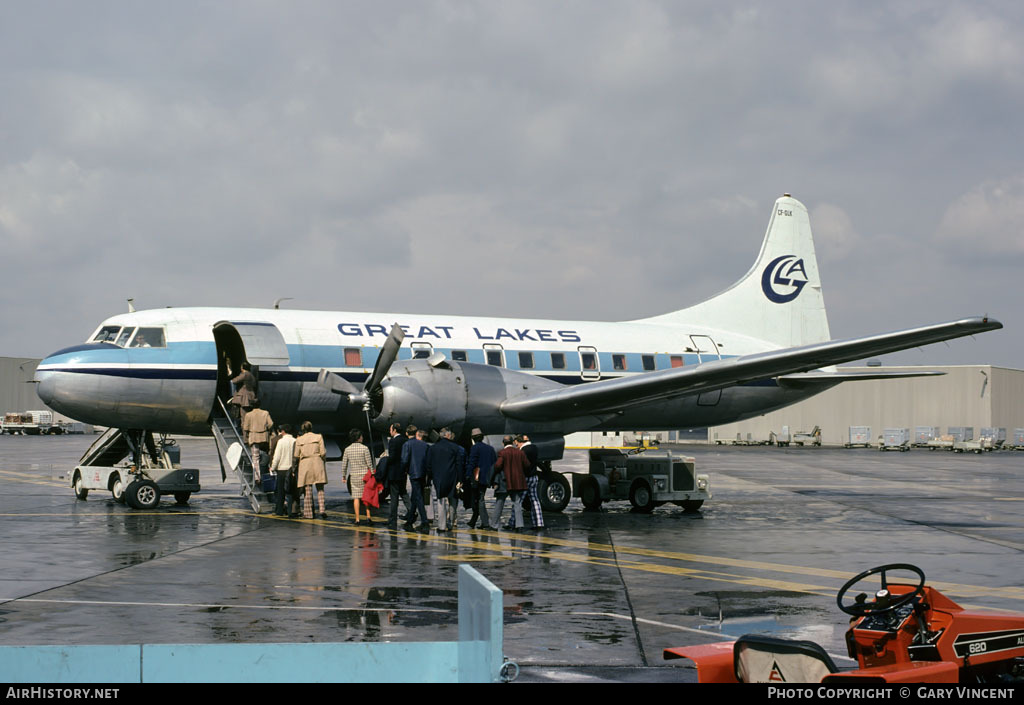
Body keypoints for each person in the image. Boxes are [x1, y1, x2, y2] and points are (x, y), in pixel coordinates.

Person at [425, 427, 466, 532]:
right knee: (452, 500)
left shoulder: (433, 448)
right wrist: (461, 479)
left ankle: (441, 526)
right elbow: (459, 465)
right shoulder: (455, 447)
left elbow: (428, 465)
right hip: (452, 477)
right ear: (448, 435)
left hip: (438, 478)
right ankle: (451, 522)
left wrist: (429, 478)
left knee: (440, 500)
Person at [492, 435, 528, 530]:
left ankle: (494, 525)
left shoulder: (502, 453)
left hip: (505, 482)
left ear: (503, 443)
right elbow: (527, 464)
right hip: (517, 482)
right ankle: (519, 525)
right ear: (513, 442)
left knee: (499, 503)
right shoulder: (520, 452)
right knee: (517, 503)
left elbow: (498, 466)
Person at [294, 421, 327, 519]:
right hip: (317, 462)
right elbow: (323, 452)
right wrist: (323, 460)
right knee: (320, 488)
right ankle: (322, 509)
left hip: (305, 464)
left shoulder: (299, 439)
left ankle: (308, 513)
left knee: (307, 490)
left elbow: (296, 454)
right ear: (311, 428)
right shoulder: (319, 437)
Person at [341, 428, 374, 525]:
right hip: (365, 476)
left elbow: (344, 464)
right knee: (366, 497)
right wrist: (372, 473)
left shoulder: (347, 449)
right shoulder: (365, 448)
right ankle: (368, 516)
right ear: (359, 438)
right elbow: (369, 463)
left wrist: (343, 475)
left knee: (356, 497)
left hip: (354, 475)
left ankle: (357, 519)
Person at [466, 428, 496, 529]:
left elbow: (472, 463)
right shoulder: (490, 448)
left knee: (479, 500)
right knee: (480, 498)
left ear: (473, 438)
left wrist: (467, 475)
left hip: (477, 478)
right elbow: (493, 464)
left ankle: (485, 522)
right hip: (486, 478)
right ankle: (474, 521)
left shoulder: (475, 448)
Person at [401, 427, 430, 530]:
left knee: (418, 497)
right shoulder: (425, 445)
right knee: (415, 496)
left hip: (413, 473)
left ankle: (425, 522)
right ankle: (410, 520)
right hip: (423, 473)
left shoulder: (407, 444)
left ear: (406, 433)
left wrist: (404, 471)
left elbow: (404, 460)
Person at [517, 433, 544, 530]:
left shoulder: (523, 451)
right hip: (534, 477)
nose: (517, 446)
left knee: (518, 501)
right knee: (535, 500)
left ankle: (514, 523)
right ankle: (539, 523)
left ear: (521, 442)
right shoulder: (534, 448)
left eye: (517, 444)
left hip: (525, 478)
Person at [242, 400, 273, 484]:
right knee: (266, 456)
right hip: (264, 437)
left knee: (255, 458)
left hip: (254, 437)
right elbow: (271, 424)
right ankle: (268, 474)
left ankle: (257, 477)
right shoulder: (265, 413)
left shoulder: (248, 415)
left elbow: (245, 428)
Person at [385, 423, 409, 530]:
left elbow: (393, 457)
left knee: (394, 496)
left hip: (394, 472)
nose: (390, 431)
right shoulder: (405, 440)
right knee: (403, 493)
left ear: (394, 430)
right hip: (403, 471)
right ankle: (412, 510)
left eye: (390, 429)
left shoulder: (393, 441)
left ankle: (392, 519)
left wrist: (385, 460)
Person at [270, 425, 297, 517]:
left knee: (280, 491)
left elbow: (277, 457)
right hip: (291, 470)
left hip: (281, 469)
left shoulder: (280, 442)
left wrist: (273, 467)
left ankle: (279, 510)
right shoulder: (295, 441)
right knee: (290, 491)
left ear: (283, 431)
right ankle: (291, 511)